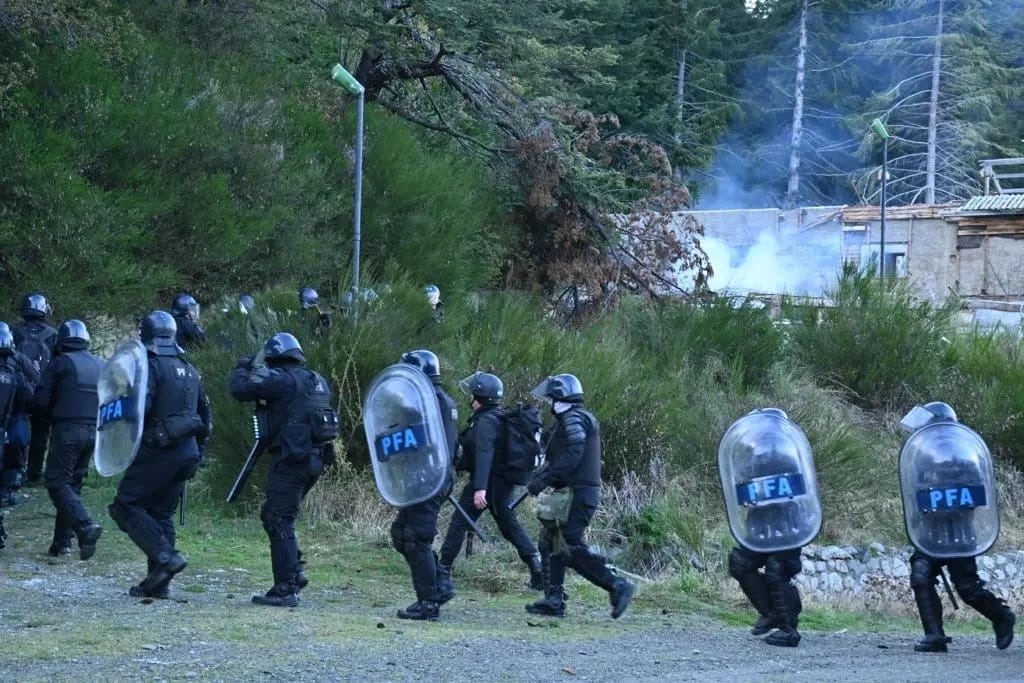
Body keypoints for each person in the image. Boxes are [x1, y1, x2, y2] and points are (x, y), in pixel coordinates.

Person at [108, 311, 211, 598]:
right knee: (161, 513)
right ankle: (159, 584)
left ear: (146, 335)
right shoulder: (188, 368)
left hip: (158, 450)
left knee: (125, 507)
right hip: (187, 451)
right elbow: (206, 416)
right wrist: (198, 453)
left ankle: (166, 557)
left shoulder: (151, 367)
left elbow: (139, 410)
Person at [230, 332, 337, 607]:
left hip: (292, 460)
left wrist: (243, 367)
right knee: (274, 515)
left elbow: (240, 390)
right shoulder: (317, 380)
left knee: (279, 519)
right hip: (315, 459)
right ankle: (295, 572)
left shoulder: (282, 379)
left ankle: (286, 588)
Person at [900, 401, 1015, 653]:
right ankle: (935, 636)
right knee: (920, 575)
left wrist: (944, 503)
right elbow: (914, 494)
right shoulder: (923, 459)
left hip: (959, 531)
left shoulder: (965, 457)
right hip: (930, 531)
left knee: (967, 588)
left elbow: (974, 496)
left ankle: (1002, 616)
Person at [524, 374, 634, 619]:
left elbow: (573, 452)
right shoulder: (573, 419)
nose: (549, 404)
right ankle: (554, 599)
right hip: (574, 492)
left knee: (569, 547)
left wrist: (544, 480)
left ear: (560, 398)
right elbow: (557, 453)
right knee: (552, 542)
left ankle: (617, 585)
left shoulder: (574, 419)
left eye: (551, 399)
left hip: (578, 493)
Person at [438, 371, 542, 595]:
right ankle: (537, 567)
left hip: (489, 482)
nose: (470, 397)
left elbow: (484, 454)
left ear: (479, 397)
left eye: (473, 393)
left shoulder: (486, 421)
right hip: (501, 482)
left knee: (459, 522)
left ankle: (443, 569)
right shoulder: (496, 418)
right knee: (508, 524)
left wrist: (480, 489)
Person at [389, 349, 458, 620]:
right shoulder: (441, 399)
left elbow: (419, 441)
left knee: (416, 539)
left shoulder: (427, 401)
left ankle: (429, 602)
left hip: (429, 477)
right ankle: (439, 584)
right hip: (430, 476)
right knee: (402, 534)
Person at [32, 320, 104, 559]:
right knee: (72, 485)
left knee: (56, 482)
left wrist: (47, 419)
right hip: (94, 432)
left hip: (67, 431)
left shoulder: (59, 363)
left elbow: (41, 401)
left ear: (61, 342)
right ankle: (62, 543)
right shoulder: (100, 364)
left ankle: (84, 526)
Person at [11, 293, 57, 487]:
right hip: (42, 392)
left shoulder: (14, 331)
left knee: (14, 429)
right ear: (44, 310)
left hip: (17, 389)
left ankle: (13, 472)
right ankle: (34, 474)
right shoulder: (53, 334)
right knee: (40, 434)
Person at [0, 325, 35, 522]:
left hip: (12, 416)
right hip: (12, 416)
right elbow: (31, 394)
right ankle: (7, 488)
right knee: (18, 441)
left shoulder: (19, 364)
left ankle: (7, 487)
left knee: (18, 440)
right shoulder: (17, 365)